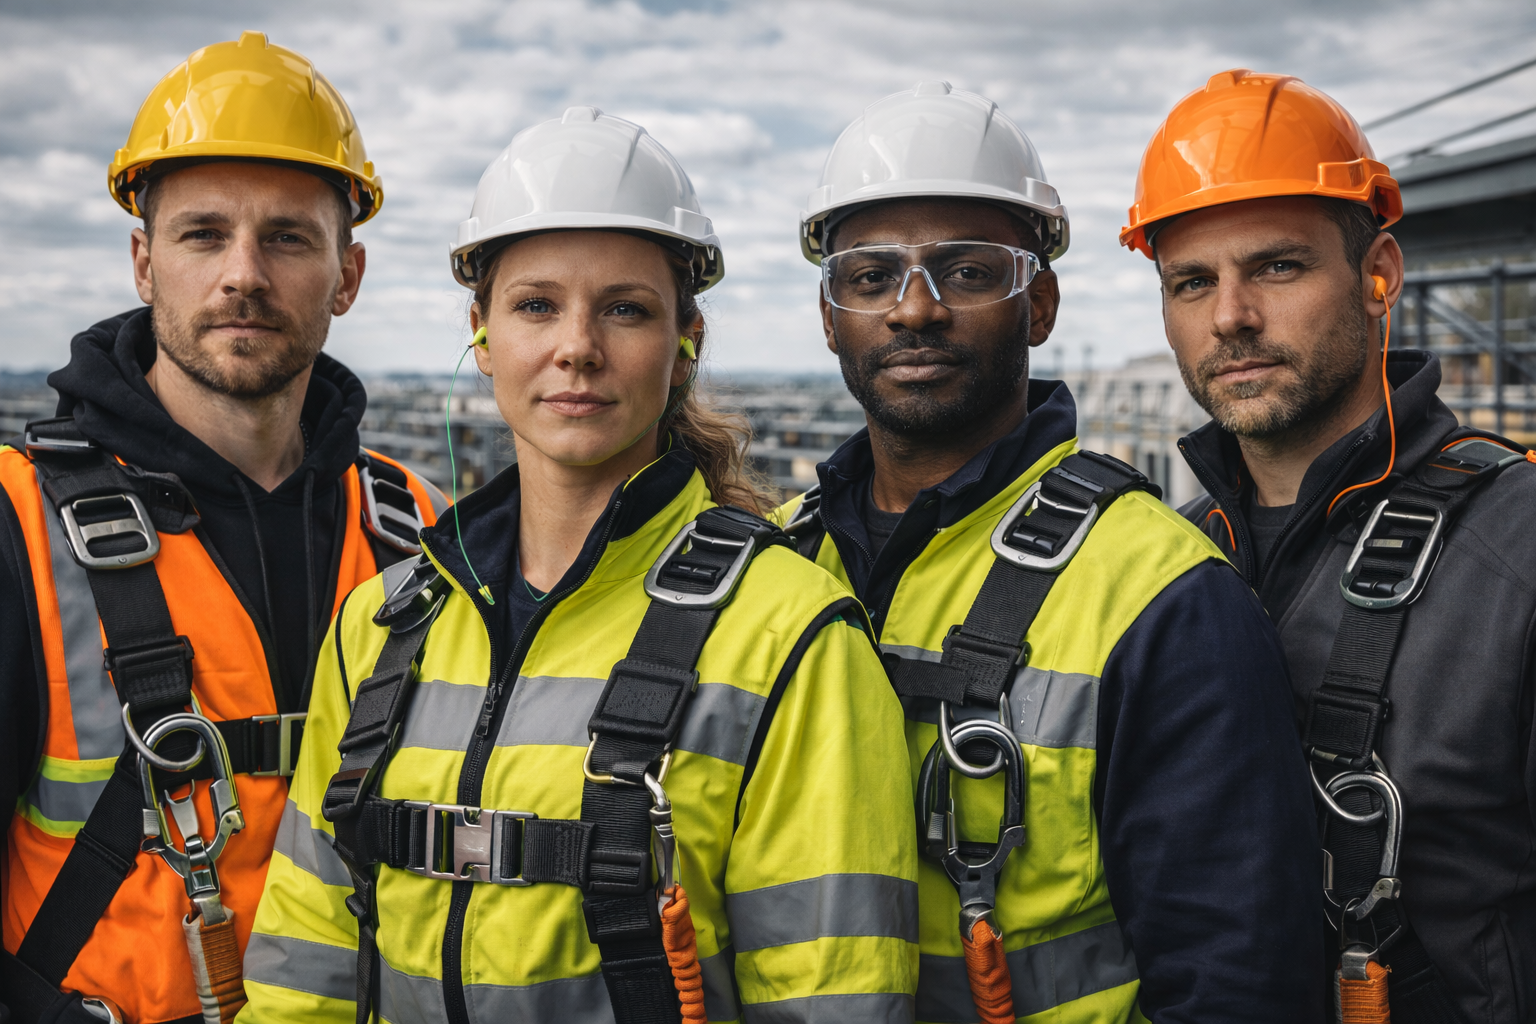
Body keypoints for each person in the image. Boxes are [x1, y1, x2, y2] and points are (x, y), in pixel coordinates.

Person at [236, 106, 918, 1024]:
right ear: (482, 333)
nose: (577, 348)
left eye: (626, 309)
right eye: (536, 305)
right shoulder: (383, 624)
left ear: (687, 344)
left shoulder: (791, 635)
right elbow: (304, 965)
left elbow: (835, 998)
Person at [777, 81, 1324, 1023]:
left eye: (970, 270)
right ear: (830, 316)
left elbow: (1237, 984)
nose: (915, 309)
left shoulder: (1162, 595)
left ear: (1041, 306)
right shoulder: (770, 564)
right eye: (870, 276)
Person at [0, 32, 445, 1024]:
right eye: (204, 234)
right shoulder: (19, 527)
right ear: (143, 261)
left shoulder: (421, 529)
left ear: (349, 275)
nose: (243, 273)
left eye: (288, 237)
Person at [1124, 68, 1536, 1022]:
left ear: (1378, 273)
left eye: (1277, 266)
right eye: (1192, 282)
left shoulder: (1516, 555)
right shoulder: (1166, 566)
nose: (1230, 316)